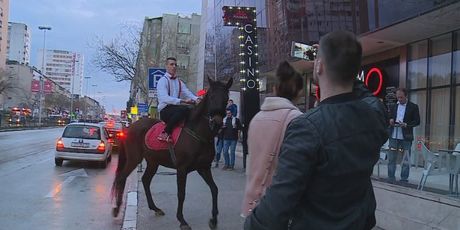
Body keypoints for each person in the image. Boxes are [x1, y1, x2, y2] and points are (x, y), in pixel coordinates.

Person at [244, 30, 389, 230]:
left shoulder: (307, 128)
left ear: (319, 66)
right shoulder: (374, 115)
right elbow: (371, 99)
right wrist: (347, 67)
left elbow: (278, 203)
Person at [241, 61, 303, 218]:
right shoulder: (296, 119)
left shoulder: (257, 118)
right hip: (277, 207)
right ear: (299, 92)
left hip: (251, 204)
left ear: (274, 89)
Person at [157, 57, 200, 142]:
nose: (174, 66)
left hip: (175, 109)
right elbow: (164, 98)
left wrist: (197, 99)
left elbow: (187, 92)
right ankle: (165, 133)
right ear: (166, 66)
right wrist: (182, 101)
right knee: (183, 109)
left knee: (191, 109)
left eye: (175, 65)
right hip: (165, 110)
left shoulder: (179, 82)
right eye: (171, 64)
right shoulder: (162, 81)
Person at [388, 88, 420, 183]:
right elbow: (388, 116)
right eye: (398, 97)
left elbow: (417, 121)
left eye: (401, 97)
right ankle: (391, 177)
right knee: (392, 157)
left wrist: (407, 125)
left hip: (406, 136)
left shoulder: (413, 107)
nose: (399, 99)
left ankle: (404, 179)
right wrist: (390, 120)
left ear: (406, 96)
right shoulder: (393, 106)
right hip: (394, 135)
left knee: (405, 158)